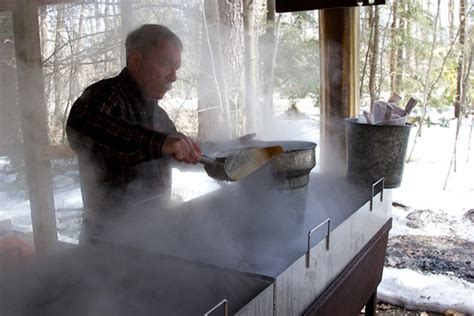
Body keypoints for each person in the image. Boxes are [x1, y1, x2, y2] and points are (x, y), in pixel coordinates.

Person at [66, 24, 201, 243]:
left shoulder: (159, 114)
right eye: (166, 64)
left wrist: (228, 154)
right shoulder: (103, 95)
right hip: (107, 241)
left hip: (154, 234)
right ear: (136, 61)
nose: (174, 77)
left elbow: (180, 151)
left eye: (177, 67)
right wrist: (160, 143)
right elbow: (84, 131)